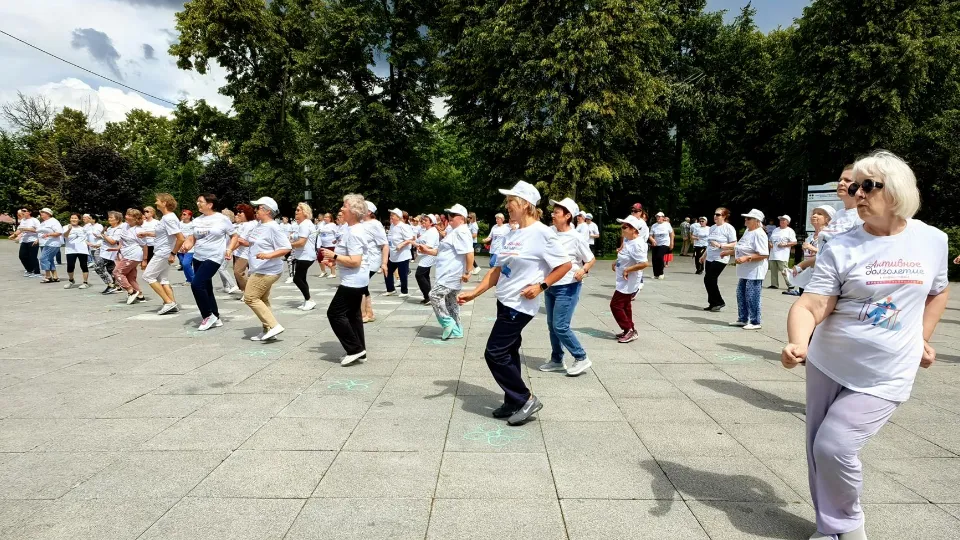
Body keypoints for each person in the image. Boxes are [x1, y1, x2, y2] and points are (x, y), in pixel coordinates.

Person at [780, 150, 949, 540]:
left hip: (888, 369)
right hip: (829, 361)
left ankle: (849, 527)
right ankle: (827, 528)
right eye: (854, 186)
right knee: (818, 451)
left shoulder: (932, 240)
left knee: (835, 446)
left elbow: (938, 292)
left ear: (897, 189)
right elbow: (812, 302)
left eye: (867, 186)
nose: (857, 194)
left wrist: (923, 336)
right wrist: (796, 341)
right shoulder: (841, 245)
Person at [458, 181, 570, 426]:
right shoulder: (512, 233)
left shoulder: (542, 233)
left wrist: (542, 285)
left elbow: (564, 265)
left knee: (494, 352)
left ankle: (525, 398)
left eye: (511, 201)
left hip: (520, 306)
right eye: (507, 201)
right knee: (508, 351)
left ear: (526, 204)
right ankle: (512, 400)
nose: (507, 206)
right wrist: (473, 293)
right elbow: (497, 271)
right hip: (504, 301)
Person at [540, 198, 595, 375]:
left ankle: (581, 357)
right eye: (553, 212)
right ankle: (557, 359)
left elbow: (590, 258)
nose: (553, 215)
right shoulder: (549, 232)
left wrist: (583, 270)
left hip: (568, 286)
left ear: (567, 216)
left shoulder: (576, 237)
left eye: (556, 212)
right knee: (551, 325)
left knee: (561, 325)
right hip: (550, 285)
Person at [785, 165, 863, 291]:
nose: (841, 183)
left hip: (843, 285)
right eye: (840, 180)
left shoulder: (861, 216)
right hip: (823, 280)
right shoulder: (839, 215)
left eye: (847, 181)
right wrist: (801, 265)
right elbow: (825, 253)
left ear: (860, 187)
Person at [320, 194, 372, 365]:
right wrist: (334, 259)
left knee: (334, 313)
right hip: (355, 279)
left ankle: (355, 348)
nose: (341, 209)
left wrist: (333, 255)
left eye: (344, 206)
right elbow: (348, 256)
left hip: (353, 280)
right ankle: (360, 350)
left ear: (353, 211)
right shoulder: (350, 229)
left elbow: (355, 261)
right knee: (352, 314)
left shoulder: (355, 232)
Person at [180, 194, 235, 331]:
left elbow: (234, 236)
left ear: (210, 204)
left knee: (196, 284)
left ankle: (207, 315)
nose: (197, 203)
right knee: (206, 287)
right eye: (197, 201)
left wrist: (229, 249)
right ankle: (215, 316)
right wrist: (187, 245)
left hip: (214, 256)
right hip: (198, 256)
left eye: (201, 201)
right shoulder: (197, 220)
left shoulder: (222, 219)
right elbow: (192, 238)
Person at [242, 197, 292, 341]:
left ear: (267, 211)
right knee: (262, 299)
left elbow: (286, 247)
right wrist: (245, 243)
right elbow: (257, 243)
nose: (255, 211)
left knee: (250, 297)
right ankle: (268, 330)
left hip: (267, 270)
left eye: (257, 208)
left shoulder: (273, 227)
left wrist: (268, 255)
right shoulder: (259, 225)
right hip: (259, 268)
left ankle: (274, 325)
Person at [422, 205, 474, 339]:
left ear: (461, 218)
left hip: (451, 273)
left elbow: (469, 252)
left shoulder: (461, 231)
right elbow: (442, 251)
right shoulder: (454, 231)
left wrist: (468, 271)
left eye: (453, 215)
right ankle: (457, 330)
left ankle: (447, 322)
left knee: (434, 295)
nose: (449, 217)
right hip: (448, 272)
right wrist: (427, 251)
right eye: (449, 214)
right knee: (451, 302)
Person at [723, 209, 769, 330]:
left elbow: (764, 254)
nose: (746, 220)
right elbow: (742, 248)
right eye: (746, 218)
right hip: (745, 270)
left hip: (755, 270)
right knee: (741, 293)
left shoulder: (759, 234)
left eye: (749, 218)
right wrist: (729, 252)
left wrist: (746, 258)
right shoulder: (748, 231)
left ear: (757, 221)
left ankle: (755, 321)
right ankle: (743, 318)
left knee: (752, 295)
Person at [141, 193, 185, 315]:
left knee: (148, 276)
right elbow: (162, 234)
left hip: (163, 252)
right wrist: (147, 234)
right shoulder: (166, 218)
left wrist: (173, 253)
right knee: (163, 279)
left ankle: (168, 302)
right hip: (163, 251)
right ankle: (172, 303)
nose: (156, 203)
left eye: (157, 201)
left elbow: (180, 238)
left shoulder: (169, 218)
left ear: (164, 203)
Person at [610, 214, 649, 343]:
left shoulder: (638, 244)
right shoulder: (628, 240)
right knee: (626, 305)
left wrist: (627, 269)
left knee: (615, 305)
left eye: (625, 227)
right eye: (622, 226)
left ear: (634, 229)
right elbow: (624, 255)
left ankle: (628, 330)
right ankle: (630, 328)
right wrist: (617, 262)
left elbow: (644, 263)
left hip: (629, 280)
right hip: (623, 278)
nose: (622, 229)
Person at [701, 207, 738, 311]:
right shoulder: (712, 228)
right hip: (710, 257)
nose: (715, 216)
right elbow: (709, 244)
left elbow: (734, 244)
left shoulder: (729, 228)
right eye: (715, 214)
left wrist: (721, 245)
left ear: (724, 216)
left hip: (721, 257)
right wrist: (704, 256)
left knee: (709, 278)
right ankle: (712, 303)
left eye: (718, 215)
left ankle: (719, 302)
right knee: (709, 280)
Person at [112, 208, 149, 304]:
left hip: (134, 255)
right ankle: (140, 296)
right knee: (130, 276)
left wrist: (144, 260)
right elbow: (122, 240)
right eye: (126, 214)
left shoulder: (139, 230)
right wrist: (118, 248)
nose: (126, 217)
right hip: (126, 254)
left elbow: (144, 245)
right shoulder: (124, 226)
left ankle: (131, 291)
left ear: (135, 219)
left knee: (117, 272)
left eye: (129, 215)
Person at [360, 201, 388, 323]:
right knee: (363, 286)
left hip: (371, 260)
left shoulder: (375, 224)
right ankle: (369, 313)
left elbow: (385, 245)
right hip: (362, 260)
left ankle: (362, 314)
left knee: (360, 286)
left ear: (369, 211)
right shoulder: (360, 223)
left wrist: (384, 263)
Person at [289, 202, 318, 310]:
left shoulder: (305, 224)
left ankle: (309, 299)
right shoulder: (304, 224)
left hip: (305, 255)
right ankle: (307, 300)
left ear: (305, 212)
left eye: (298, 210)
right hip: (303, 255)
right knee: (302, 278)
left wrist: (288, 245)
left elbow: (301, 242)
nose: (296, 212)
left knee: (297, 279)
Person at [384, 208, 416, 297]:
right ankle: (390, 289)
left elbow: (410, 238)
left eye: (393, 216)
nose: (391, 217)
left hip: (402, 255)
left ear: (398, 217)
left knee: (402, 274)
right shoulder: (392, 226)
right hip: (393, 254)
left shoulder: (403, 226)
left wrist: (401, 244)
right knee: (387, 271)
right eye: (390, 215)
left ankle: (404, 291)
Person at [82, 214, 113, 291]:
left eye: (90, 218)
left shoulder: (99, 226)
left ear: (94, 219)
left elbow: (103, 236)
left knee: (101, 267)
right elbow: (84, 235)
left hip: (99, 247)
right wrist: (87, 242)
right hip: (92, 247)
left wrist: (98, 238)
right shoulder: (88, 226)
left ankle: (112, 284)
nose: (88, 219)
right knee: (101, 266)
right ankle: (113, 284)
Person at [230, 204, 257, 291]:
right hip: (239, 252)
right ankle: (246, 290)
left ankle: (248, 291)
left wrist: (229, 250)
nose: (238, 214)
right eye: (237, 212)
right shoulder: (242, 224)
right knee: (242, 272)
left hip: (245, 253)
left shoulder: (250, 225)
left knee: (238, 272)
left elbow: (240, 241)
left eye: (240, 212)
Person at [414, 214, 440, 304]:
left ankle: (430, 296)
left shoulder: (432, 231)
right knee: (425, 275)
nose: (423, 222)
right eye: (422, 220)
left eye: (425, 220)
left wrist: (419, 246)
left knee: (419, 274)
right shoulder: (427, 231)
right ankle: (427, 297)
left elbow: (429, 245)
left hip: (430, 255)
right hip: (425, 255)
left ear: (431, 222)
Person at [767, 214, 797, 289]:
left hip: (782, 255)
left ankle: (790, 284)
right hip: (773, 253)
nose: (781, 221)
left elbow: (794, 242)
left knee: (784, 270)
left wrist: (785, 244)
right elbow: (770, 240)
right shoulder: (775, 229)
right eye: (781, 220)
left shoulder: (790, 231)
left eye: (784, 220)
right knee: (773, 270)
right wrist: (770, 243)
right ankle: (774, 284)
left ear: (788, 222)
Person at [97, 212, 123, 294]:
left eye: (111, 218)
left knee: (98, 268)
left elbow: (112, 242)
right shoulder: (110, 228)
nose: (109, 219)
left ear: (117, 219)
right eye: (109, 217)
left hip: (110, 252)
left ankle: (110, 285)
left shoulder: (119, 229)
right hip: (104, 251)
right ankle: (118, 285)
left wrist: (104, 235)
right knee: (111, 270)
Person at [62, 214, 90, 289]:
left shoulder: (82, 229)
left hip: (82, 249)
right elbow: (65, 236)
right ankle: (71, 280)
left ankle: (85, 282)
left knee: (84, 265)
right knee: (70, 266)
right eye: (72, 218)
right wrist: (69, 229)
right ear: (70, 219)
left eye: (75, 218)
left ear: (79, 220)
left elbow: (85, 239)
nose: (73, 219)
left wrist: (92, 244)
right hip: (70, 250)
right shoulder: (65, 227)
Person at [217, 210, 241, 294]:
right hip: (222, 251)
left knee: (221, 268)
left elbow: (236, 240)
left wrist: (230, 250)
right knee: (220, 268)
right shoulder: (223, 227)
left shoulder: (232, 228)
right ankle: (226, 286)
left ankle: (233, 285)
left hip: (228, 251)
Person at [36, 208, 63, 283]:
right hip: (46, 243)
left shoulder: (54, 222)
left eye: (43, 212)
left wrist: (48, 234)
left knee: (43, 258)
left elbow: (59, 232)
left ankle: (48, 276)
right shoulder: (44, 222)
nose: (42, 214)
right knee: (49, 259)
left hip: (53, 243)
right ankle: (55, 276)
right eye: (41, 212)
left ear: (49, 214)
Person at [12, 208, 41, 277]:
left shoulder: (34, 220)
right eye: (22, 211)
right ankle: (29, 270)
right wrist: (14, 235)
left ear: (29, 212)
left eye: (24, 211)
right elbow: (20, 229)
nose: (22, 213)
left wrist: (27, 229)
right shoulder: (23, 220)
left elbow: (39, 230)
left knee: (32, 257)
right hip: (25, 240)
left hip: (33, 240)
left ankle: (37, 272)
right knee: (22, 256)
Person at [648, 212, 673, 279]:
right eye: (657, 217)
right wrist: (652, 240)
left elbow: (671, 234)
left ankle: (661, 273)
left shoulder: (667, 225)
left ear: (663, 218)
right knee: (654, 259)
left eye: (659, 217)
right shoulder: (654, 225)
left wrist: (671, 243)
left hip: (665, 243)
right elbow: (650, 236)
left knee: (659, 256)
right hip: (656, 244)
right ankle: (656, 274)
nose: (658, 218)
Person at [316, 213, 339, 279]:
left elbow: (336, 234)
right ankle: (323, 271)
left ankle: (333, 273)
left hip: (330, 244)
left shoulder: (333, 225)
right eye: (324, 217)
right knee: (319, 257)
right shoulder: (322, 224)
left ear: (330, 218)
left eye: (327, 217)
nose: (325, 218)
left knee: (331, 259)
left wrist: (335, 240)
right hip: (323, 244)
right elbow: (318, 230)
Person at [178, 210, 195, 285]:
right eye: (182, 214)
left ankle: (194, 279)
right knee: (183, 264)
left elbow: (192, 237)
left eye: (184, 214)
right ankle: (188, 280)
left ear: (189, 216)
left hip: (189, 248)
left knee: (186, 263)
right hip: (179, 247)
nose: (182, 215)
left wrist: (186, 244)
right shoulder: (179, 224)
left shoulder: (193, 224)